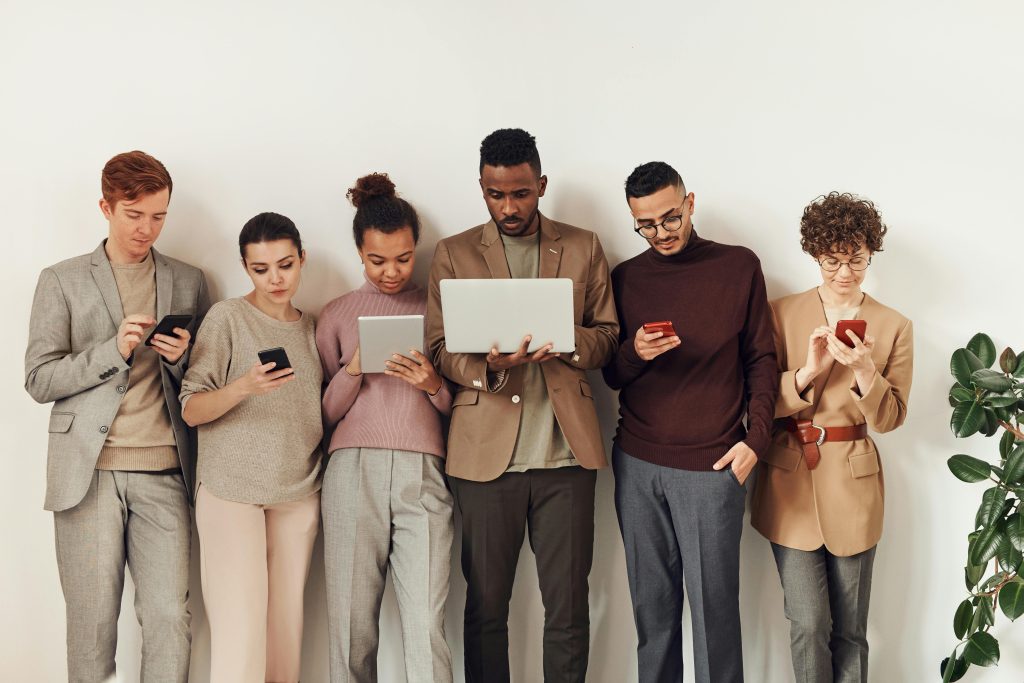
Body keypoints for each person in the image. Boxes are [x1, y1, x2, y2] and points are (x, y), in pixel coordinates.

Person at [425, 128, 618, 682]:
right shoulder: (455, 253)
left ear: (541, 185)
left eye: (521, 193)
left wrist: (569, 341)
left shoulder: (583, 246)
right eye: (495, 194)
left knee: (568, 611)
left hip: (566, 458)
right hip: (485, 460)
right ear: (482, 189)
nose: (509, 207)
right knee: (486, 610)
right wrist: (489, 367)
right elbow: (439, 349)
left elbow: (608, 336)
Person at [24, 150, 209, 682]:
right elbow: (38, 379)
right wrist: (113, 351)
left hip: (165, 472)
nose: (147, 228)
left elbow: (203, 377)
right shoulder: (60, 280)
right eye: (135, 215)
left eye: (159, 215)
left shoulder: (189, 280)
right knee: (91, 626)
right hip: (88, 475)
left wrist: (180, 361)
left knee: (170, 617)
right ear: (105, 207)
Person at [602, 161, 777, 683]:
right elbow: (611, 374)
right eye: (646, 225)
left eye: (670, 218)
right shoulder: (627, 277)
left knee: (715, 617)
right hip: (637, 464)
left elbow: (762, 360)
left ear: (690, 202)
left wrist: (756, 442)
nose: (660, 233)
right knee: (651, 616)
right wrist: (634, 352)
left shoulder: (739, 267)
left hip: (713, 464)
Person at [750, 192, 912, 683]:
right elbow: (757, 403)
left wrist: (865, 371)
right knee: (808, 622)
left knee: (851, 630)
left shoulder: (894, 325)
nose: (844, 272)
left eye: (856, 259)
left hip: (855, 482)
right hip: (789, 481)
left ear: (871, 253)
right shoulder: (779, 313)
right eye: (832, 260)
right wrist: (805, 373)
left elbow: (891, 418)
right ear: (815, 255)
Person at [316, 173, 454, 683]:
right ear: (359, 251)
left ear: (416, 248)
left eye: (403, 258)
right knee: (351, 625)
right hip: (353, 470)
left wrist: (431, 382)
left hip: (425, 470)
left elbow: (458, 406)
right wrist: (354, 370)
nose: (391, 271)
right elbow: (325, 415)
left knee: (426, 621)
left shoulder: (437, 311)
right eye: (377, 260)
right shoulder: (335, 315)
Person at [180, 212, 322, 683]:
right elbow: (191, 409)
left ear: (303, 259)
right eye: (261, 269)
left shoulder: (314, 329)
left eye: (285, 264)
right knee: (240, 637)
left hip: (297, 492)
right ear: (245, 267)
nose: (275, 278)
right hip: (230, 491)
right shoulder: (227, 317)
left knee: (285, 636)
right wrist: (243, 387)